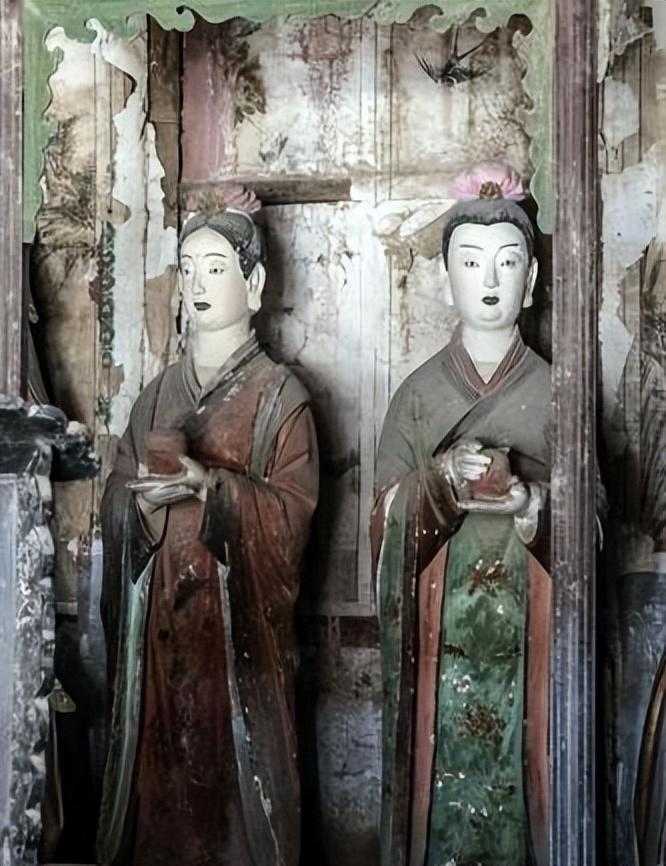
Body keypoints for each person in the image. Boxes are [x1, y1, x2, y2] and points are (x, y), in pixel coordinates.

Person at [97, 206, 319, 866]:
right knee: (161, 774)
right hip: (161, 624)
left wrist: (211, 489)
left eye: (216, 268)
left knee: (230, 790)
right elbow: (115, 499)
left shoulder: (281, 396)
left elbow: (293, 518)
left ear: (254, 285)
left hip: (234, 631)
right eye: (188, 268)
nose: (197, 283)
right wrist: (139, 507)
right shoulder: (155, 396)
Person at [372, 164, 551, 866]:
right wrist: (440, 481)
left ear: (531, 281)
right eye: (471, 262)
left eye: (508, 262)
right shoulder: (418, 396)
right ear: (447, 280)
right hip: (437, 629)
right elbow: (383, 516)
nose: (490, 279)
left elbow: (595, 519)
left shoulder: (557, 391)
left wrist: (532, 504)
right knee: (435, 792)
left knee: (527, 781)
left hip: (529, 634)